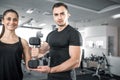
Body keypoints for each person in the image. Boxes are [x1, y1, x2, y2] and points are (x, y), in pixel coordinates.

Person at [31, 2, 82, 80]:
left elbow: (76, 61)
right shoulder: (51, 34)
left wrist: (51, 70)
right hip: (51, 76)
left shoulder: (74, 34)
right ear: (53, 16)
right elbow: (42, 52)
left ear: (68, 15)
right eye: (56, 14)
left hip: (66, 77)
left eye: (62, 14)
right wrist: (36, 52)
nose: (59, 17)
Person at [0, 9, 31, 80]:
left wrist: (36, 56)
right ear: (3, 21)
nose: (12, 22)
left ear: (17, 22)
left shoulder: (23, 42)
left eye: (15, 20)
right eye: (8, 19)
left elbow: (29, 67)